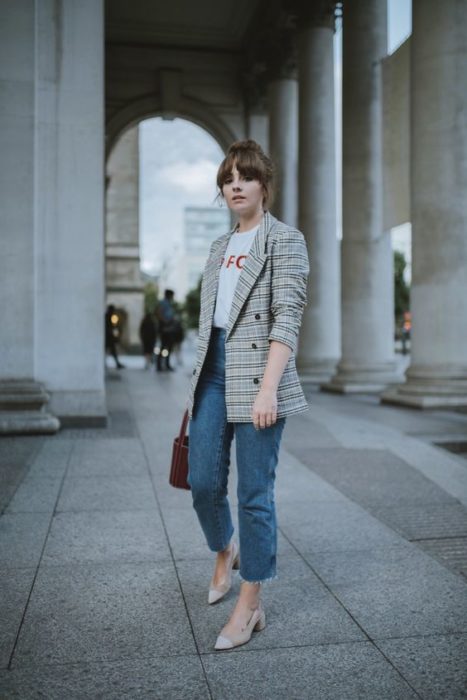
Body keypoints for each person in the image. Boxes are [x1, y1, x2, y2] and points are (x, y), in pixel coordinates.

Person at [186, 140, 309, 651]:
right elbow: (209, 322)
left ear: (264, 185)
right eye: (228, 177)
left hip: (260, 374)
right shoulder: (219, 247)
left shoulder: (285, 240)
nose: (235, 184)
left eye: (246, 176)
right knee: (201, 482)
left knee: (254, 494)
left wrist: (268, 389)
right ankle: (223, 547)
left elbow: (289, 316)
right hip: (213, 370)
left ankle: (251, 604)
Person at [156, 289, 177, 371]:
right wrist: (165, 321)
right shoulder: (163, 303)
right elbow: (159, 313)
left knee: (169, 346)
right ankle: (159, 365)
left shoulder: (168, 303)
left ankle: (166, 364)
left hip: (169, 327)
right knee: (163, 346)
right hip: (165, 327)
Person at [105, 304, 124, 369]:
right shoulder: (108, 316)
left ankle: (117, 363)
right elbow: (112, 327)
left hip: (108, 337)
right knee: (112, 350)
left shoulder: (109, 316)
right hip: (108, 337)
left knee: (112, 350)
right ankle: (117, 363)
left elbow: (113, 326)